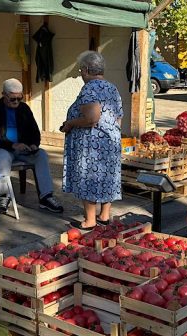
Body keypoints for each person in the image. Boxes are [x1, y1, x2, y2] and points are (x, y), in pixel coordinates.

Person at [0, 78, 63, 214]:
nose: (17, 102)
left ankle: (46, 197)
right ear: (4, 95)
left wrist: (34, 145)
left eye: (19, 98)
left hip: (22, 150)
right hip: (2, 148)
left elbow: (34, 131)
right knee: (3, 158)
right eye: (13, 99)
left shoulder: (24, 109)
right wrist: (12, 145)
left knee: (41, 155)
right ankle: (2, 196)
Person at [61, 51, 123, 229]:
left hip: (92, 144)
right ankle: (104, 215)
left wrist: (71, 123)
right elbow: (118, 118)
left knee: (89, 177)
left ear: (87, 69)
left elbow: (92, 118)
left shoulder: (90, 88)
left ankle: (90, 220)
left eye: (81, 69)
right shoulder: (112, 87)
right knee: (107, 177)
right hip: (110, 141)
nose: (81, 73)